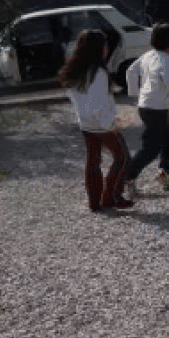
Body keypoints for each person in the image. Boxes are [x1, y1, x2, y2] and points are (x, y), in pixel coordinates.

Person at [59, 29, 133, 211]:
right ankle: (111, 197)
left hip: (85, 123)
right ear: (98, 48)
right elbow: (97, 103)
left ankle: (94, 202)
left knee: (93, 161)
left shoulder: (75, 70)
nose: (107, 48)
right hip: (101, 124)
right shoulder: (98, 73)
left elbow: (76, 98)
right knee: (121, 158)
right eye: (105, 45)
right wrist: (111, 124)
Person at [126, 23, 169, 194]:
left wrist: (135, 93)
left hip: (147, 106)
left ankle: (164, 174)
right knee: (152, 148)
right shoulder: (168, 61)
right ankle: (126, 176)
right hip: (156, 109)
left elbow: (130, 71)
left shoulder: (147, 56)